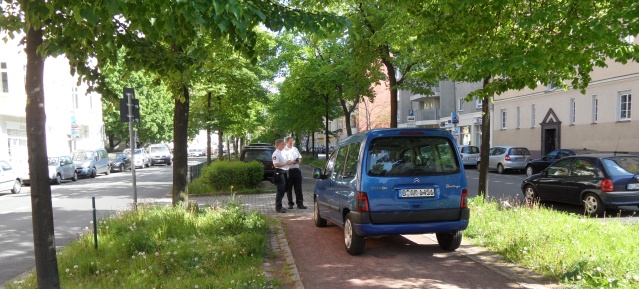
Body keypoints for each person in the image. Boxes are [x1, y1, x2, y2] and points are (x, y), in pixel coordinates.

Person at [283, 137, 306, 209]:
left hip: (296, 169)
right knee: (289, 188)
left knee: (298, 188)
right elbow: (285, 161)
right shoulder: (284, 150)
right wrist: (292, 162)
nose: (292, 143)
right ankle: (290, 203)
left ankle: (300, 203)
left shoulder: (295, 149)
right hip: (289, 170)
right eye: (290, 142)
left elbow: (300, 158)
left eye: (292, 142)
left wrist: (298, 161)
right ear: (286, 142)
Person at [272, 139, 293, 213]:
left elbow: (282, 163)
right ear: (279, 145)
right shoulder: (276, 154)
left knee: (283, 190)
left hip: (283, 172)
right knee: (280, 190)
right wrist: (285, 163)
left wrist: (287, 163)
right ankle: (278, 207)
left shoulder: (280, 153)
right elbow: (276, 164)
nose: (284, 146)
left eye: (284, 144)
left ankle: (280, 205)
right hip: (279, 173)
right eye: (283, 144)